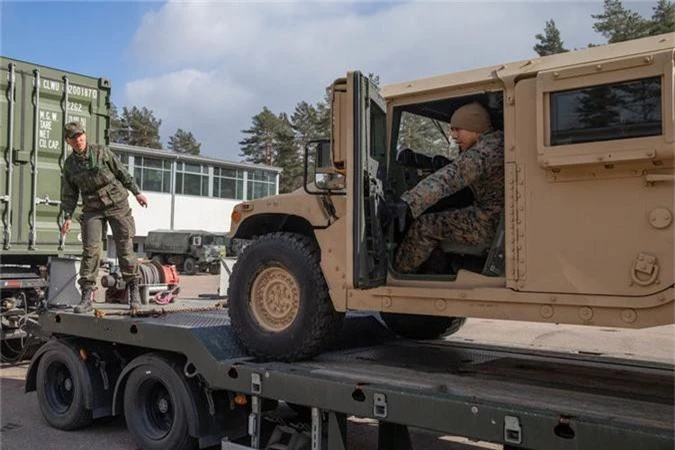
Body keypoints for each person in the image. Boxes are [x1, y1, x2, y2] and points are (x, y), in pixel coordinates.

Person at [393, 102, 504, 274]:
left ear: (475, 127)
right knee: (446, 214)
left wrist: (408, 202)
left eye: (458, 129)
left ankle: (397, 276)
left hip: (490, 222)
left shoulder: (485, 151)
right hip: (496, 218)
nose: (452, 135)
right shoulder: (494, 142)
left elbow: (450, 178)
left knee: (424, 226)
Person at [60, 121, 149, 313]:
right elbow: (69, 194)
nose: (78, 140)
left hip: (116, 204)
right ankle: (86, 297)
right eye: (74, 138)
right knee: (90, 250)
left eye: (80, 136)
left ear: (85, 135)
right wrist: (66, 216)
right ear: (68, 141)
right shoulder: (70, 166)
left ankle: (133, 293)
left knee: (124, 247)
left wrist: (137, 193)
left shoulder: (101, 152)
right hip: (92, 209)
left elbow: (122, 172)